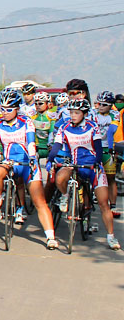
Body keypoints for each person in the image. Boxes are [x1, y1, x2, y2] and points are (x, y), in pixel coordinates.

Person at [0, 88, 57, 249]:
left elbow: (31, 142)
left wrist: (32, 157)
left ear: (17, 108)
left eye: (9, 109)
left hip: (26, 162)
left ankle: (50, 236)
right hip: (8, 161)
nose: (4, 112)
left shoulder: (27, 122)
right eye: (2, 109)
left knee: (40, 201)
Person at [49, 98, 118, 249]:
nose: (73, 115)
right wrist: (50, 160)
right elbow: (57, 146)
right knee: (60, 177)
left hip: (92, 166)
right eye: (71, 112)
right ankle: (65, 197)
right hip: (74, 164)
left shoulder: (93, 126)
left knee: (103, 204)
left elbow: (98, 148)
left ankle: (111, 237)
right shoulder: (65, 127)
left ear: (84, 114)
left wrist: (96, 162)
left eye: (77, 113)